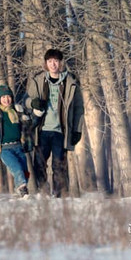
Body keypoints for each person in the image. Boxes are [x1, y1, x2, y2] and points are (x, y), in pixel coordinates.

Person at [25, 48, 85, 197]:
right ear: (46, 63)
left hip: (61, 131)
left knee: (59, 166)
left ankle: (59, 195)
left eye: (56, 61)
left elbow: (79, 108)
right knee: (39, 164)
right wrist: (33, 103)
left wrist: (77, 130)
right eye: (50, 61)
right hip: (41, 131)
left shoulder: (71, 82)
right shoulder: (37, 81)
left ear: (61, 63)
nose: (53, 64)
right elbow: (25, 101)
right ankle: (43, 193)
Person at [0, 85, 33, 197]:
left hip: (18, 146)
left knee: (25, 171)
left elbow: (29, 123)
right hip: (4, 149)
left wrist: (36, 112)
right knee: (16, 168)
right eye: (3, 97)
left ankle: (19, 190)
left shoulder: (18, 111)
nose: (6, 99)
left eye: (8, 96)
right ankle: (23, 190)